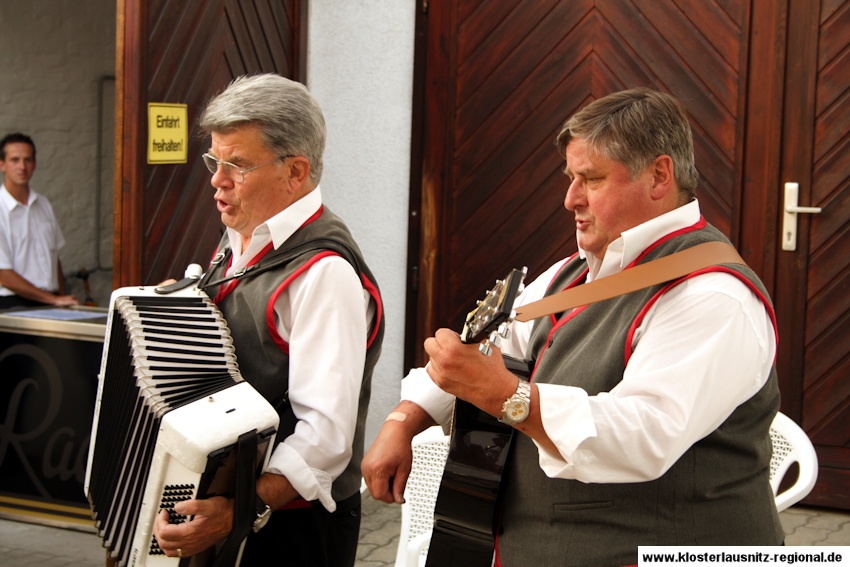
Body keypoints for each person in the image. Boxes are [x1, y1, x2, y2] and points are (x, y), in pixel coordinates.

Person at [362, 87, 783, 565]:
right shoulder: (573, 273)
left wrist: (507, 396)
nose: (570, 199)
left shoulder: (714, 296)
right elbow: (479, 353)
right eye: (570, 177)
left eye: (592, 179)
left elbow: (644, 436)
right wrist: (405, 419)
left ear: (659, 176)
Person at [152, 74, 384, 566]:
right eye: (215, 160)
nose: (217, 178)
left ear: (295, 172)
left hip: (290, 532)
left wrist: (237, 511)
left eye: (236, 164)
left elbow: (325, 438)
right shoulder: (242, 238)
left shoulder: (325, 273)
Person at [0, 132, 78, 309]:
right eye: (14, 160)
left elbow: (54, 258)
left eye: (27, 160)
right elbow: (3, 275)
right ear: (2, 164)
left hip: (51, 299)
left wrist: (61, 296)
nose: (22, 166)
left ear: (34, 164)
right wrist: (53, 300)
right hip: (12, 305)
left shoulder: (43, 204)